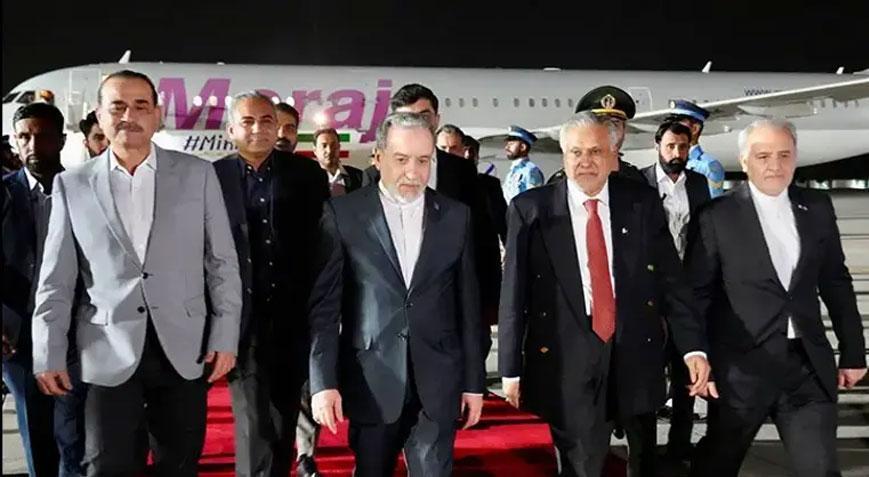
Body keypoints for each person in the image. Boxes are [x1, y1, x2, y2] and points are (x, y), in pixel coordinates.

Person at [31, 70, 242, 476]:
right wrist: (48, 351)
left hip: (184, 347)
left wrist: (225, 335)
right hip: (106, 346)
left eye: (140, 106)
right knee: (105, 463)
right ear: (100, 116)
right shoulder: (73, 185)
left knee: (179, 463)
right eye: (118, 107)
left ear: (157, 114)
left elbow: (222, 262)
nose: (129, 116)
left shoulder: (197, 174)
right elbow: (56, 279)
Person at [499, 112, 711, 477]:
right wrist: (510, 368)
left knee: (643, 455)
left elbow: (671, 281)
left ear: (613, 154)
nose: (586, 161)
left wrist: (692, 347)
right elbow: (514, 294)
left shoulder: (640, 203)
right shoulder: (531, 209)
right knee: (582, 462)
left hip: (634, 351)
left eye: (596, 151)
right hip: (566, 359)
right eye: (576, 152)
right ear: (564, 155)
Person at [309, 112, 485, 477]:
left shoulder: (456, 216)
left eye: (423, 161)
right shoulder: (344, 214)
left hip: (438, 379)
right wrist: (322, 383)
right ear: (378, 157)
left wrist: (474, 383)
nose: (413, 172)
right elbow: (325, 309)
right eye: (402, 159)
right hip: (371, 379)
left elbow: (468, 307)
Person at [687, 118, 867, 477]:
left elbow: (835, 280)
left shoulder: (816, 206)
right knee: (717, 465)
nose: (775, 165)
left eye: (784, 155)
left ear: (796, 157)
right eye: (763, 156)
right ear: (744, 160)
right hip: (740, 370)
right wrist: (699, 356)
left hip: (806, 366)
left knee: (820, 469)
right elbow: (697, 295)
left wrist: (853, 351)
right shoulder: (717, 216)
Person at [214, 91, 329, 477]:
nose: (258, 129)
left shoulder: (307, 176)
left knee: (283, 424)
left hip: (293, 320)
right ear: (231, 129)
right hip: (240, 322)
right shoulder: (213, 178)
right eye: (247, 121)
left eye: (266, 121)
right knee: (253, 424)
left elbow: (322, 247)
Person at [3, 102, 86, 477]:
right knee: (36, 432)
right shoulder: (4, 193)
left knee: (74, 434)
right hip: (17, 336)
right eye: (24, 137)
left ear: (61, 140)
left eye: (43, 136)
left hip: (76, 332)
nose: (33, 145)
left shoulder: (86, 191)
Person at [640, 121, 711, 461]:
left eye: (682, 147)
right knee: (649, 371)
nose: (676, 153)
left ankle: (679, 445)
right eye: (670, 146)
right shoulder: (640, 183)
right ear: (657, 146)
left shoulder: (697, 184)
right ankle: (644, 448)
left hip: (686, 290)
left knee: (686, 370)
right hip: (650, 290)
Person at [548, 86, 645, 185]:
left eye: (615, 124)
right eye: (601, 124)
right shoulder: (563, 181)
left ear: (624, 130)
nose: (609, 132)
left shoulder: (636, 179)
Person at [666, 100, 725, 198]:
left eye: (678, 124)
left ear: (695, 129)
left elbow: (713, 203)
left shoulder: (709, 166)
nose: (672, 128)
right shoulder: (668, 161)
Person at [313, 127, 364, 196]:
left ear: (339, 147)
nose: (329, 151)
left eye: (333, 145)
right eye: (324, 146)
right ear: (315, 151)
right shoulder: (306, 180)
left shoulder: (359, 177)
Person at [502, 125, 544, 202]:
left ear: (522, 147)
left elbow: (533, 201)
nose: (506, 148)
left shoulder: (531, 170)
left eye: (511, 144)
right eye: (507, 144)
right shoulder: (512, 172)